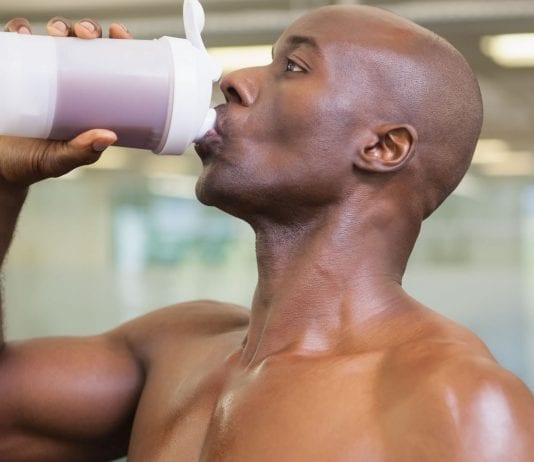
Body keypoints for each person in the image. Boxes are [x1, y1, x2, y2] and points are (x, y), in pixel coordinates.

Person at [1, 5, 533, 461]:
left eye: (294, 66)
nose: (234, 77)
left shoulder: (461, 403)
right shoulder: (176, 349)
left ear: (382, 148)